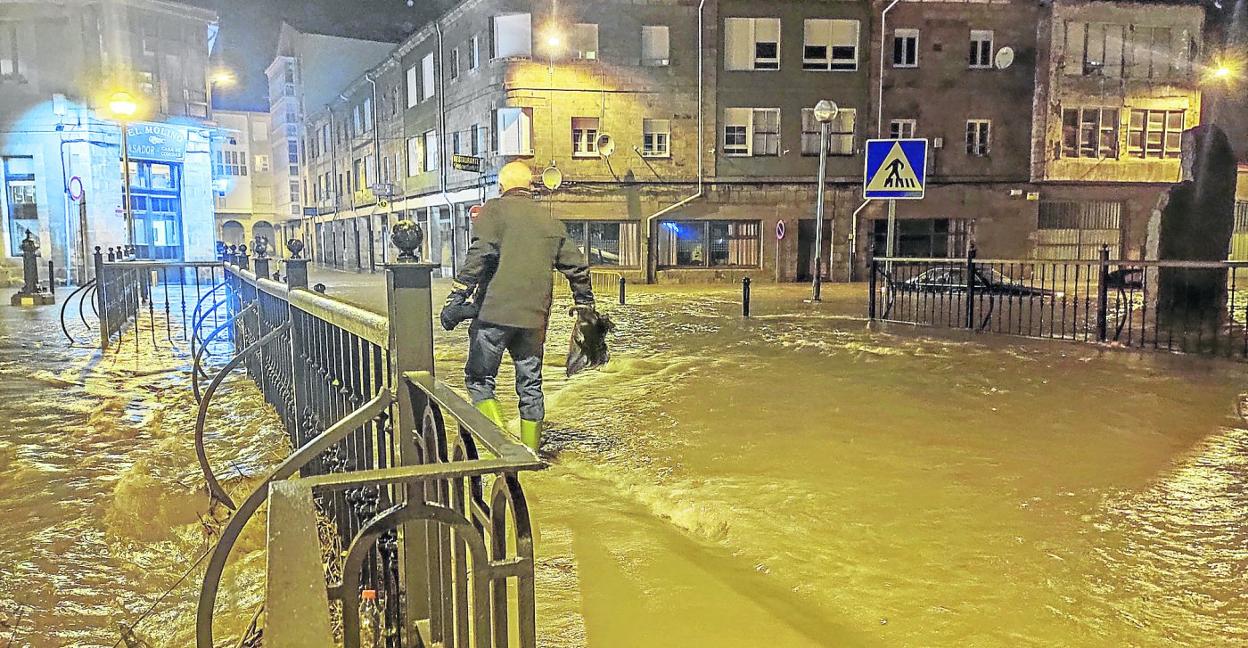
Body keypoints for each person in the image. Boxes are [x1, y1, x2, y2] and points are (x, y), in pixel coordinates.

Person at [444, 160, 594, 450]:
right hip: (534, 320)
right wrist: (585, 304)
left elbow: (481, 254)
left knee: (478, 379)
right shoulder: (549, 220)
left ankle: (499, 449)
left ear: (501, 187)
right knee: (530, 386)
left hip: (493, 316)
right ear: (531, 186)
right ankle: (530, 455)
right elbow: (578, 267)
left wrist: (458, 295)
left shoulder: (493, 211)